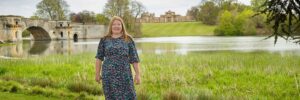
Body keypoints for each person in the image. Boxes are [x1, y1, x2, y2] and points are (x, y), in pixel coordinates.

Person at [95, 16, 140, 100]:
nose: (116, 26)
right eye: (114, 24)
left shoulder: (128, 39)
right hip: (108, 75)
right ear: (110, 26)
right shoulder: (104, 39)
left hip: (125, 74)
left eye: (119, 24)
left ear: (122, 26)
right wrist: (97, 74)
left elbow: (134, 58)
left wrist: (138, 74)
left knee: (129, 96)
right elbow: (99, 58)